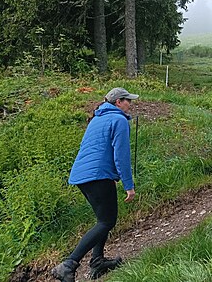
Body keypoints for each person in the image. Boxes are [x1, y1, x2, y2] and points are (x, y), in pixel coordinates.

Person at [51, 87, 139, 282]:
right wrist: (128, 185)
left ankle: (98, 261)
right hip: (98, 176)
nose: (130, 104)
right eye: (128, 101)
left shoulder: (96, 119)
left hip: (82, 176)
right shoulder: (119, 120)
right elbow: (121, 156)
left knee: (102, 220)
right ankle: (68, 265)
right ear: (118, 102)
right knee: (107, 222)